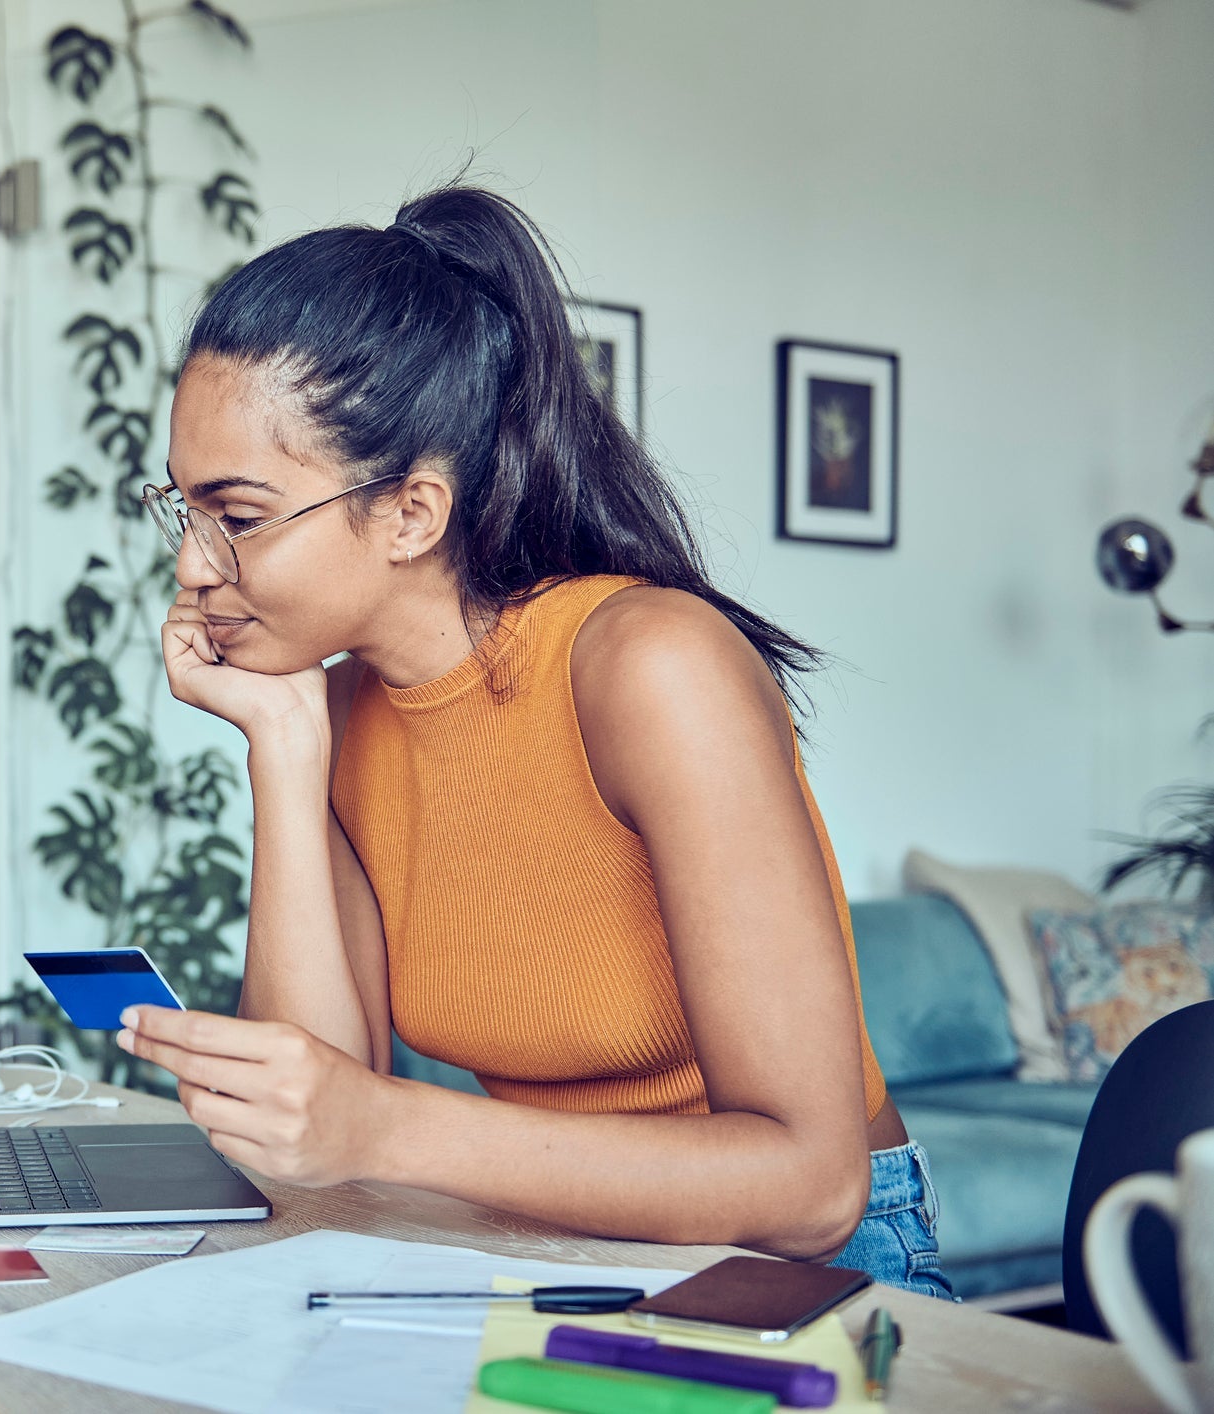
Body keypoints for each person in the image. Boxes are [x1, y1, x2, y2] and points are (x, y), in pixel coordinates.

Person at [115, 184, 953, 1299]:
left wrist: (386, 1129)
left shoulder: (651, 666)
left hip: (807, 1274)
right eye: (184, 510)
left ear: (413, 512)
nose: (193, 566)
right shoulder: (346, 707)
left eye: (243, 515)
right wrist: (281, 739)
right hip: (557, 1250)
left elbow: (810, 1186)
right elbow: (318, 1143)